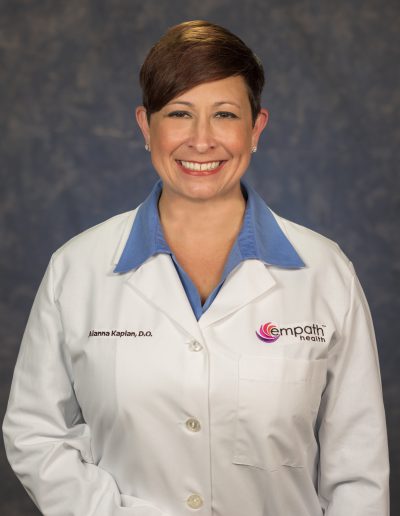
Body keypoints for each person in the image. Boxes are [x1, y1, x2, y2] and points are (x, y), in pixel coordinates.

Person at [3, 20, 389, 516]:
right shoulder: (75, 270)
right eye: (179, 113)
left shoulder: (326, 273)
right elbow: (35, 432)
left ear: (256, 128)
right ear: (146, 127)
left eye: (224, 114)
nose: (202, 140)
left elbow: (358, 468)